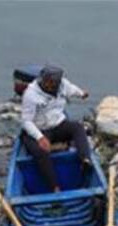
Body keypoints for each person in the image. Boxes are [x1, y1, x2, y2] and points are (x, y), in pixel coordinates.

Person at [20, 65, 92, 193]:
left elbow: (72, 89)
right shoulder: (31, 95)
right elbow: (26, 121)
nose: (48, 85)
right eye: (46, 81)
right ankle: (54, 187)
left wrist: (82, 94)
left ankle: (85, 159)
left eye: (52, 83)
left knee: (77, 128)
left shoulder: (63, 85)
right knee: (41, 152)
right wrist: (40, 138)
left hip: (57, 125)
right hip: (38, 129)